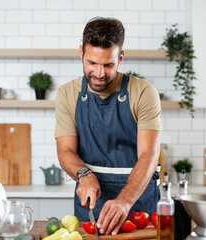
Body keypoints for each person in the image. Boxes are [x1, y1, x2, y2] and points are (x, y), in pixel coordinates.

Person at [54, 17, 161, 235]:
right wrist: (84, 174)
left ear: (121, 57)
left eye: (108, 65)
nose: (99, 74)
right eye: (92, 63)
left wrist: (124, 200)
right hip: (92, 205)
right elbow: (65, 151)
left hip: (138, 204)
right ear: (81, 53)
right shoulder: (67, 94)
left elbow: (149, 154)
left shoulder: (143, 92)